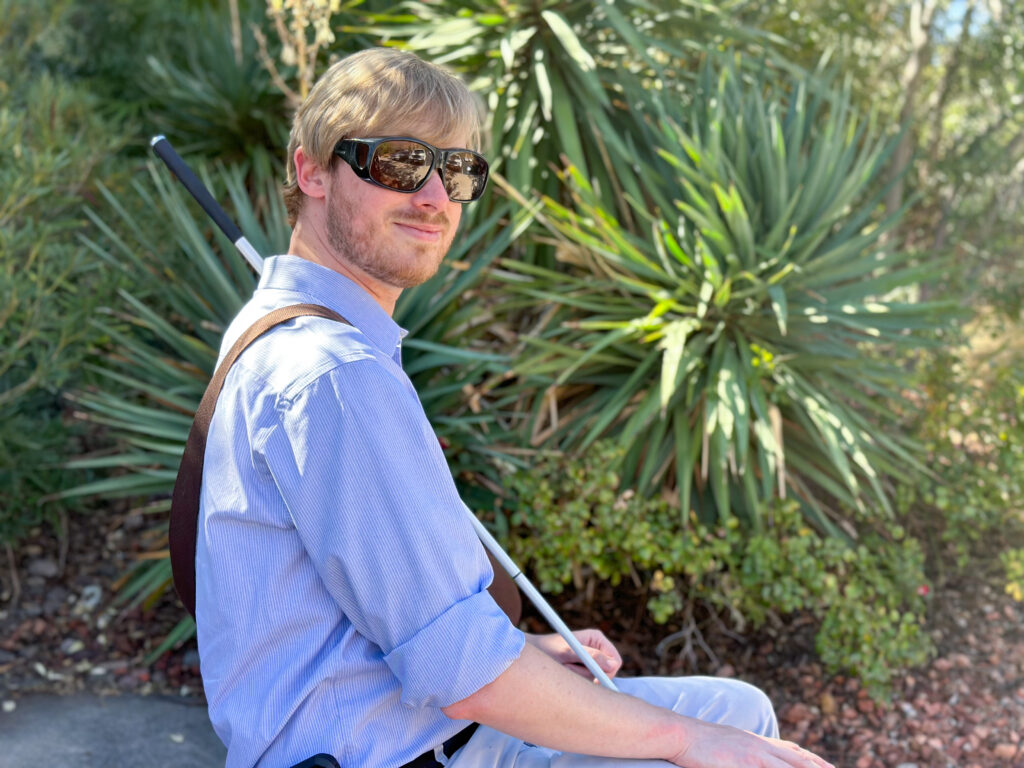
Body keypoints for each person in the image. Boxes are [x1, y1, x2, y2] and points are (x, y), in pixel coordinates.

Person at [195, 47, 834, 768]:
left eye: (458, 170)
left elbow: (353, 599)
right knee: (724, 743)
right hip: (386, 755)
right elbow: (461, 675)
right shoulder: (331, 372)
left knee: (738, 712)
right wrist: (689, 743)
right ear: (311, 170)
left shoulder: (294, 336)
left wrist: (524, 651)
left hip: (395, 726)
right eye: (401, 163)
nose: (436, 197)